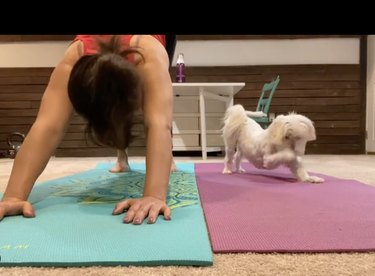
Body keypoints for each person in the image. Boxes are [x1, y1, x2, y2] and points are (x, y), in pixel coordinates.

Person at [0, 35, 177, 225]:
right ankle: (124, 159)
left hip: (154, 42)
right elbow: (48, 125)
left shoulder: (149, 54)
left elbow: (159, 124)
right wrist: (14, 196)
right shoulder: (74, 58)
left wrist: (154, 195)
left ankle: (168, 158)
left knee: (156, 108)